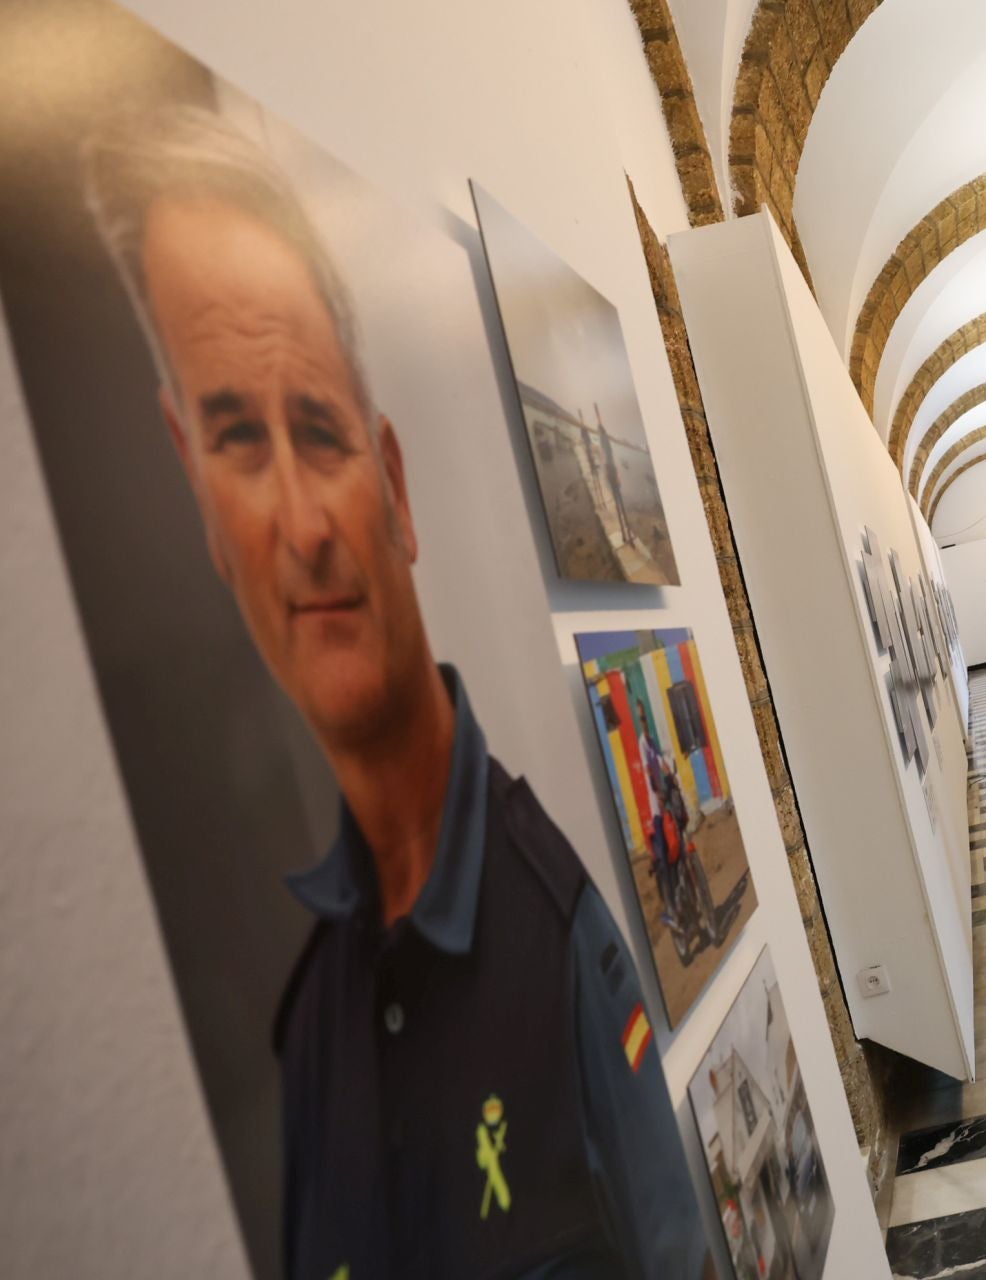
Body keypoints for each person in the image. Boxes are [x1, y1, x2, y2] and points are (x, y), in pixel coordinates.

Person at [81, 107, 712, 1278]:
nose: (306, 526)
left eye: (319, 432)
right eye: (236, 438)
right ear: (196, 493)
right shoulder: (309, 1021)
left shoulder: (555, 928)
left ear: (397, 487)